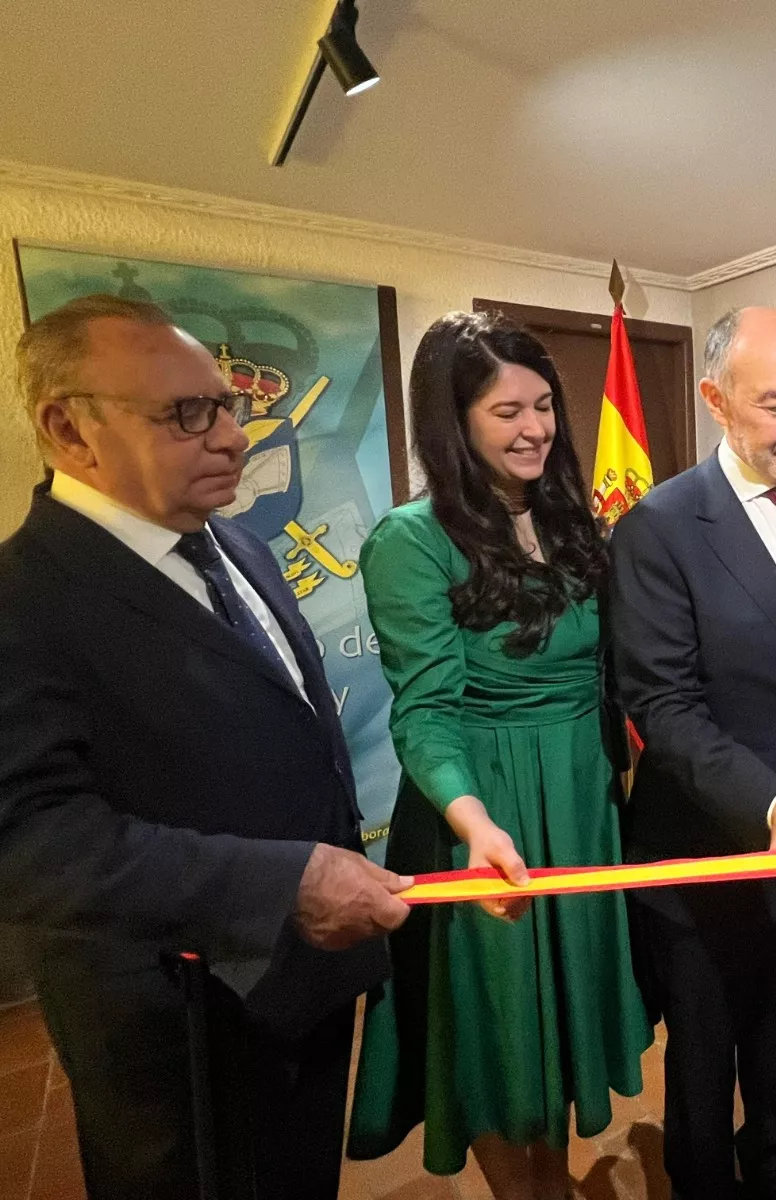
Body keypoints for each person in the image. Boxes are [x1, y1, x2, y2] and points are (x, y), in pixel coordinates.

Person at [0, 295, 407, 1200]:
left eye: (227, 405)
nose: (232, 435)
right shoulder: (22, 602)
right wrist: (284, 884)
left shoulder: (237, 545)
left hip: (303, 979)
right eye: (188, 413)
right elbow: (26, 844)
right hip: (171, 1019)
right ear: (68, 428)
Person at [345, 312, 652, 1200]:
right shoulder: (412, 538)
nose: (536, 429)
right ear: (454, 420)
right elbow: (426, 712)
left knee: (559, 1013)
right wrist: (473, 820)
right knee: (497, 1027)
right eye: (506, 410)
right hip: (484, 809)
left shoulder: (566, 516)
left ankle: (552, 1182)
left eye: (546, 406)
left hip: (580, 797)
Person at [609, 306, 776, 1200]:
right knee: (705, 1047)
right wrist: (771, 804)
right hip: (708, 846)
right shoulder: (661, 526)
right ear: (717, 400)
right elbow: (664, 708)